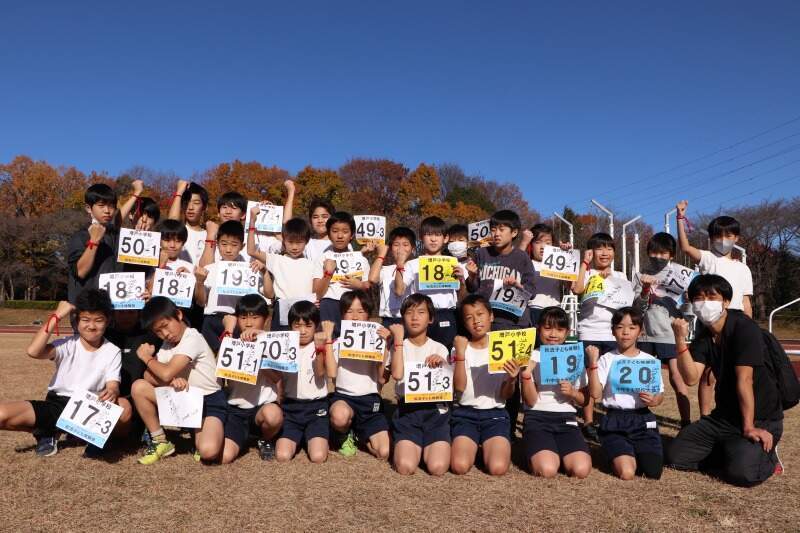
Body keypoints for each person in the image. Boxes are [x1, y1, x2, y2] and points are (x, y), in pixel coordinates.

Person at [667, 274, 783, 486]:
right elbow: (692, 377)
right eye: (699, 298)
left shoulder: (744, 328)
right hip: (723, 418)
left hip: (760, 417)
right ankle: (732, 450)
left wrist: (748, 426)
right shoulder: (705, 335)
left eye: (712, 297)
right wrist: (679, 339)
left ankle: (767, 455)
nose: (705, 303)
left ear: (726, 301)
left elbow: (744, 380)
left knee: (743, 474)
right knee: (676, 456)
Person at [0, 291, 132, 458]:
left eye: (99, 320)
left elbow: (113, 385)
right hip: (57, 403)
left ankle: (94, 439)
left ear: (107, 322)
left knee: (124, 407)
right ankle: (48, 431)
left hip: (89, 406)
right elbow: (33, 351)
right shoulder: (66, 344)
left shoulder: (112, 351)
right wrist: (57, 315)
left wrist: (112, 391)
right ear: (77, 321)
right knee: (2, 414)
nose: (92, 326)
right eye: (85, 320)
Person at [676, 200, 754, 417]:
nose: (723, 240)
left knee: (736, 372)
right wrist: (680, 218)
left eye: (729, 236)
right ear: (711, 239)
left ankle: (736, 413)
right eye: (718, 236)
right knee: (707, 374)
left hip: (737, 320)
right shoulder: (708, 258)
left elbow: (746, 300)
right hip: (710, 319)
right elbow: (685, 247)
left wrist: (750, 325)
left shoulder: (743, 268)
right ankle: (705, 416)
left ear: (736, 238)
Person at [465, 209, 536, 437]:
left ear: (514, 232)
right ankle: (488, 423)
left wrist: (518, 286)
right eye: (493, 228)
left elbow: (532, 290)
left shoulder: (522, 258)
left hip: (516, 325)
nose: (496, 233)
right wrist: (472, 276)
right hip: (490, 325)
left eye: (502, 229)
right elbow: (475, 290)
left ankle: (510, 426)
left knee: (512, 376)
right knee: (491, 375)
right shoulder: (482, 254)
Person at [131, 297, 227, 465]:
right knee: (139, 387)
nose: (165, 334)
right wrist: (171, 383)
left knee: (208, 451)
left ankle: (203, 431)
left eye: (165, 326)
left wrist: (147, 358)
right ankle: (160, 441)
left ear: (179, 315)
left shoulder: (192, 337)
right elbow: (148, 376)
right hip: (187, 400)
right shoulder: (167, 345)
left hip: (209, 401)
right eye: (158, 332)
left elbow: (166, 373)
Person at [587, 306, 664, 480]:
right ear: (613, 331)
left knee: (653, 472)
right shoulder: (607, 359)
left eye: (632, 327)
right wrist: (593, 364)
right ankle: (614, 450)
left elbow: (659, 395)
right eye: (620, 327)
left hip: (643, 419)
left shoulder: (649, 360)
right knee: (627, 472)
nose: (625, 332)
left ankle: (634, 451)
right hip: (615, 419)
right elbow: (595, 394)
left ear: (640, 331)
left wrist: (654, 400)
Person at [572, 232, 633, 440]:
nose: (604, 252)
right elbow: (576, 288)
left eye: (609, 248)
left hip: (613, 334)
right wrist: (584, 264)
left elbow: (628, 306)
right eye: (599, 248)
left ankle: (611, 419)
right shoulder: (587, 274)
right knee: (590, 378)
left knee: (612, 379)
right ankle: (588, 422)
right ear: (591, 251)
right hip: (589, 332)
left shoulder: (622, 277)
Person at [521, 306, 592, 478]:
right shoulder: (531, 356)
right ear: (539, 329)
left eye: (559, 329)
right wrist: (526, 375)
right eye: (548, 328)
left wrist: (573, 393)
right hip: (537, 417)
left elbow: (585, 400)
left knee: (580, 470)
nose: (553, 334)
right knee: (547, 470)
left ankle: (556, 451)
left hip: (567, 419)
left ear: (567, 333)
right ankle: (540, 451)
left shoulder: (574, 356)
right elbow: (530, 401)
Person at [450, 294, 516, 476]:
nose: (476, 321)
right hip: (465, 414)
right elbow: (459, 389)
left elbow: (506, 395)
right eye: (469, 317)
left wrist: (511, 379)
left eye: (480, 314)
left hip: (495, 415)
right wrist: (461, 354)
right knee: (459, 466)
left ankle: (488, 447)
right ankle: (473, 447)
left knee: (497, 468)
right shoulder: (459, 347)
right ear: (464, 323)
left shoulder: (505, 346)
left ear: (491, 316)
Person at [323, 290, 391, 460]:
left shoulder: (379, 340)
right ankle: (343, 433)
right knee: (340, 417)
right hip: (344, 398)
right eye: (349, 311)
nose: (355, 317)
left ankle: (359, 435)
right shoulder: (338, 342)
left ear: (368, 315)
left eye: (361, 312)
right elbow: (332, 374)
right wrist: (328, 341)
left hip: (370, 401)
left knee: (384, 452)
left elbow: (383, 379)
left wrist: (387, 346)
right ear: (342, 315)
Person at [632, 232, 691, 427]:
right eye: (654, 252)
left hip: (669, 333)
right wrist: (645, 291)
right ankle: (639, 415)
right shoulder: (640, 274)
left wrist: (689, 301)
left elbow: (688, 309)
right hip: (645, 334)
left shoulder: (682, 276)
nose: (658, 256)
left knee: (676, 376)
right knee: (643, 377)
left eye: (663, 253)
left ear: (671, 255)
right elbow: (636, 308)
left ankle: (686, 421)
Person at [390, 293, 451, 476]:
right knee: (405, 467)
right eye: (409, 312)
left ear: (431, 318)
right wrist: (398, 342)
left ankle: (433, 444)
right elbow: (397, 374)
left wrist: (443, 364)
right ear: (403, 317)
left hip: (436, 412)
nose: (415, 317)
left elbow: (449, 385)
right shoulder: (398, 345)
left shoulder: (440, 348)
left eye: (421, 312)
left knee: (437, 467)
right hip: (408, 413)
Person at [219, 295, 283, 463]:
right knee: (225, 456)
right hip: (236, 409)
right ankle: (242, 436)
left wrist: (258, 354)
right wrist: (228, 331)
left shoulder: (271, 342)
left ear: (266, 319)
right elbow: (218, 373)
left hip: (262, 408)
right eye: (243, 317)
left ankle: (265, 438)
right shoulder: (231, 341)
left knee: (273, 416)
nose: (248, 323)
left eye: (255, 317)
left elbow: (277, 378)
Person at [194, 220, 264, 353]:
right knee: (212, 358)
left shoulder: (250, 270)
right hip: (211, 320)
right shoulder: (209, 269)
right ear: (217, 244)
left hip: (238, 322)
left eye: (234, 245)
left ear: (242, 246)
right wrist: (200, 282)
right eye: (224, 244)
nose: (228, 249)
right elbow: (200, 301)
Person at [275, 301, 330, 463]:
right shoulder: (284, 345)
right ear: (290, 326)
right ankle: (301, 438)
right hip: (291, 408)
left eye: (308, 325)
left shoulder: (321, 345)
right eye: (297, 325)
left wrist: (321, 350)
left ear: (316, 326)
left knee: (318, 457)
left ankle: (320, 438)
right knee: (282, 455)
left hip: (317, 407)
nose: (303, 331)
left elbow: (320, 373)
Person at [405, 216, 468, 349]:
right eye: (428, 235)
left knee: (447, 358)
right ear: (421, 238)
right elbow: (399, 291)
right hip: (420, 315)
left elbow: (462, 298)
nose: (433, 239)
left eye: (438, 235)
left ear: (445, 238)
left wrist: (462, 281)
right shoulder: (412, 264)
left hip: (447, 315)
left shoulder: (454, 263)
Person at [248, 217, 314, 332]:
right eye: (290, 242)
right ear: (283, 241)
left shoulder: (312, 264)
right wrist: (252, 223)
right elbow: (251, 251)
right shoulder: (276, 259)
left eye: (299, 243)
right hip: (282, 310)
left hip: (306, 310)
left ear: (307, 241)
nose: (294, 247)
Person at [312, 211, 370, 332]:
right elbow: (318, 293)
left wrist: (359, 285)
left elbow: (368, 287)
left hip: (353, 308)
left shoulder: (361, 259)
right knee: (328, 344)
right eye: (335, 231)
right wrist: (327, 274)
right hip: (328, 307)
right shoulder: (322, 258)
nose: (339, 236)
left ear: (352, 235)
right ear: (328, 233)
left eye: (345, 231)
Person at [67, 183, 121, 304]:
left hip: (116, 308)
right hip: (88, 310)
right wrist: (94, 242)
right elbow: (80, 272)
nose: (107, 211)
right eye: (101, 205)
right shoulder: (80, 236)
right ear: (88, 208)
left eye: (112, 206)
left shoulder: (119, 236)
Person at [518, 223, 570, 325]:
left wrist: (566, 254)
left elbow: (571, 286)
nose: (543, 247)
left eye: (548, 243)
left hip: (554, 310)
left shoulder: (558, 264)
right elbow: (513, 265)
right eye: (538, 242)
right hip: (531, 310)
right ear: (531, 245)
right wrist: (524, 242)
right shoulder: (526, 262)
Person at [368, 226, 417, 328]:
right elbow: (372, 279)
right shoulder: (385, 269)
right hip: (387, 320)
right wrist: (381, 255)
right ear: (390, 248)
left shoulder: (416, 267)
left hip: (409, 320)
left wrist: (400, 265)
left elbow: (399, 291)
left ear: (413, 249)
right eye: (396, 245)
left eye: (405, 245)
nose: (400, 249)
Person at [168, 181, 210, 267]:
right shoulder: (179, 231)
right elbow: (171, 224)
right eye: (187, 203)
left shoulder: (210, 235)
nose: (190, 207)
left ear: (204, 207)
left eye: (196, 203)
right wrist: (179, 192)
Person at [304, 197, 339, 262]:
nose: (320, 220)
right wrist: (291, 192)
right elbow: (288, 229)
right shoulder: (306, 244)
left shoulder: (342, 242)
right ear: (310, 220)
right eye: (315, 217)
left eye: (324, 216)